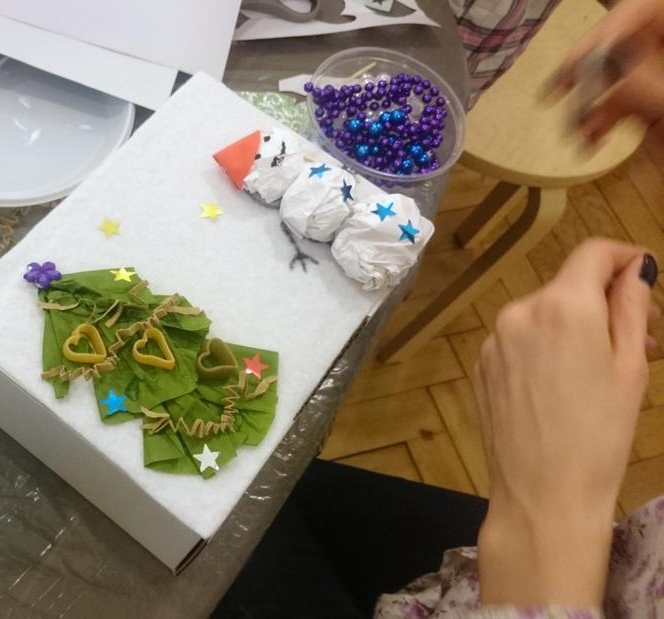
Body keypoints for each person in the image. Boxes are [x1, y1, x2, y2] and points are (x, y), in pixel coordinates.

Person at [217, 2, 664, 616]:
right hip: (559, 561)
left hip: (536, 568)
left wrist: (548, 511)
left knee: (217, 531)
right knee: (262, 482)